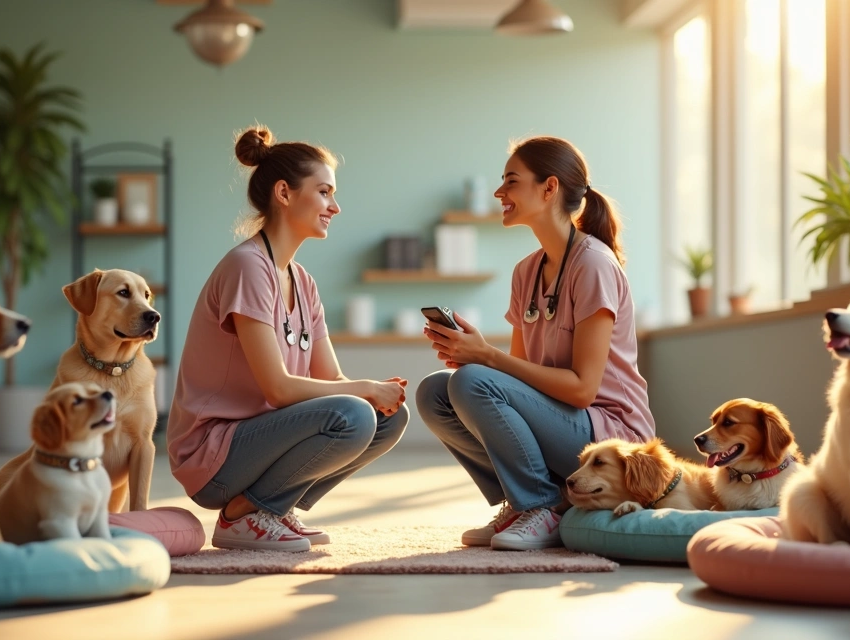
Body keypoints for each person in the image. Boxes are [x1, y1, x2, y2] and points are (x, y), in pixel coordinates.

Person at [168, 126, 408, 552]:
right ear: (284, 193)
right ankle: (247, 513)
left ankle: (269, 508)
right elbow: (278, 390)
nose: (335, 206)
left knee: (387, 417)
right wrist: (365, 390)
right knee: (356, 413)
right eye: (324, 192)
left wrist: (375, 394)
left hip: (258, 440)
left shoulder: (303, 282)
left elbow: (330, 377)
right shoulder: (247, 267)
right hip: (213, 454)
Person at [416, 136, 654, 551]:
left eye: (511, 180)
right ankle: (529, 502)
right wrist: (478, 354)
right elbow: (521, 381)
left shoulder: (593, 264)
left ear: (549, 188)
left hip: (609, 437)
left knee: (472, 381)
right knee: (435, 391)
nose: (499, 192)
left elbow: (582, 389)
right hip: (565, 427)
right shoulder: (526, 272)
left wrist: (487, 359)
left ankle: (541, 505)